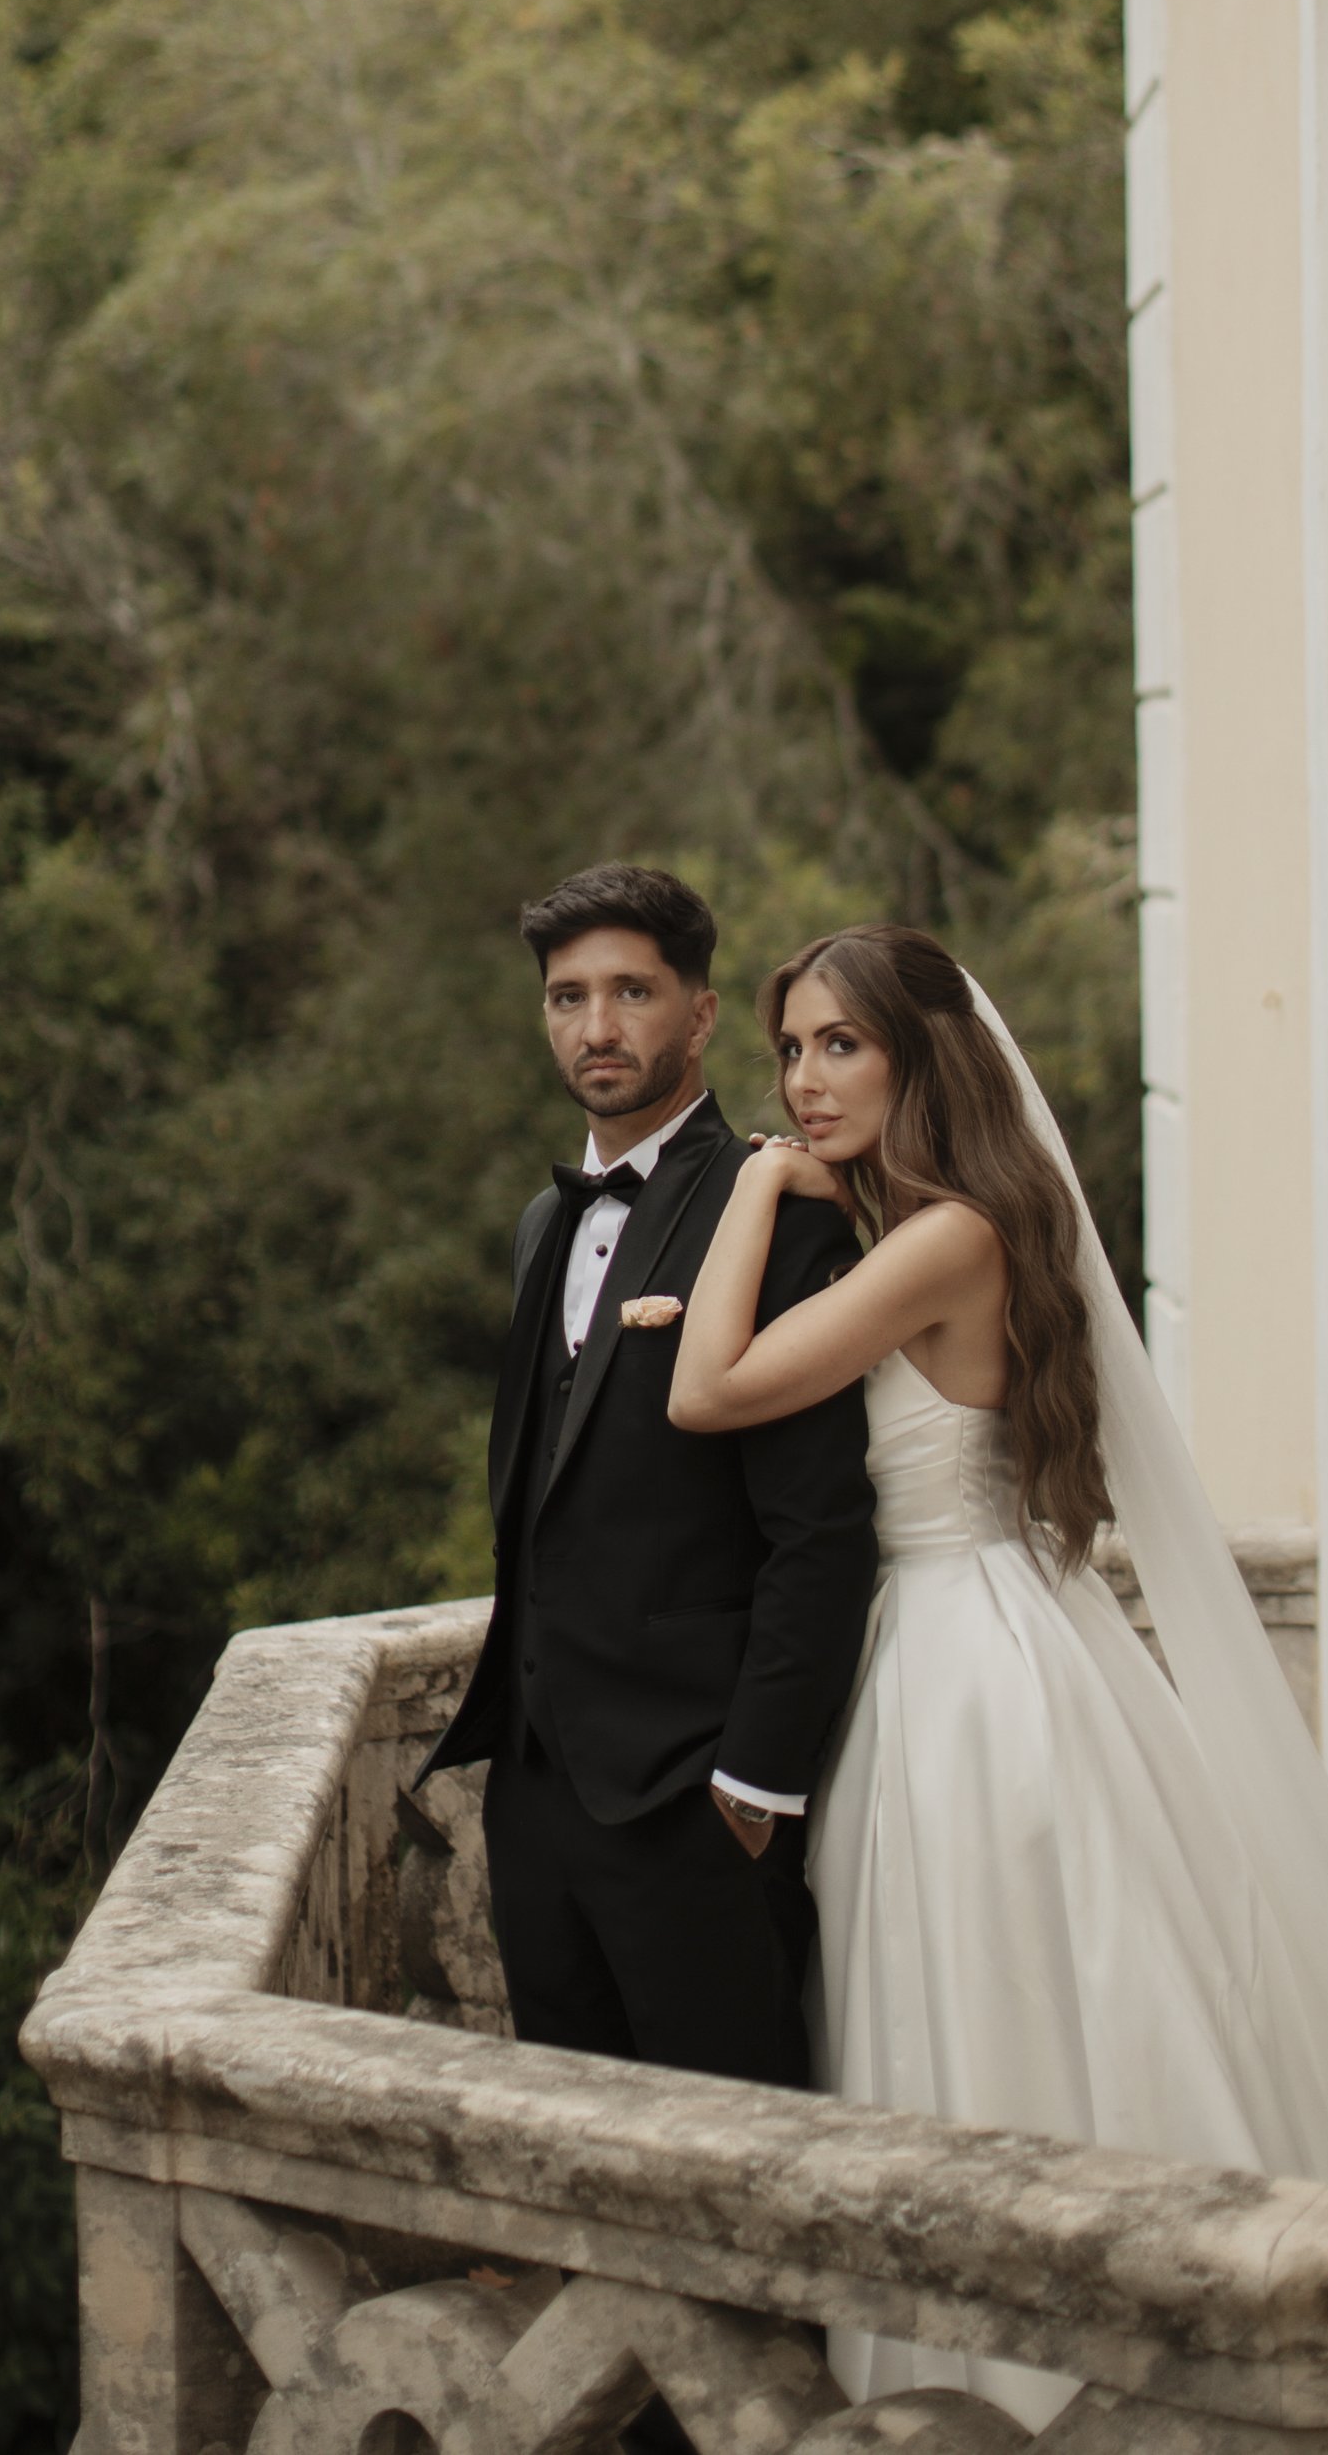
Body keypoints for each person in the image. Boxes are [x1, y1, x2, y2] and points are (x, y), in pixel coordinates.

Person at [669, 921, 1328, 2431]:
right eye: (791, 1048)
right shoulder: (935, 1226)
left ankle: (1037, 2379)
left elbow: (712, 1388)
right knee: (1004, 1994)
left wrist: (748, 1183)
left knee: (998, 2000)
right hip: (965, 1640)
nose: (804, 1080)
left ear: (925, 1057)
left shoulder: (946, 1238)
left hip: (966, 1680)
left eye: (841, 1044)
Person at [421, 862, 877, 2096]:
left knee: (733, 2165)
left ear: (702, 1013)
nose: (598, 1026)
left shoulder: (775, 1205)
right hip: (534, 1794)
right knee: (579, 2163)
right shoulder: (540, 1224)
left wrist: (754, 1783)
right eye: (568, 997)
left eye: (632, 991)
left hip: (694, 1800)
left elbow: (821, 1532)